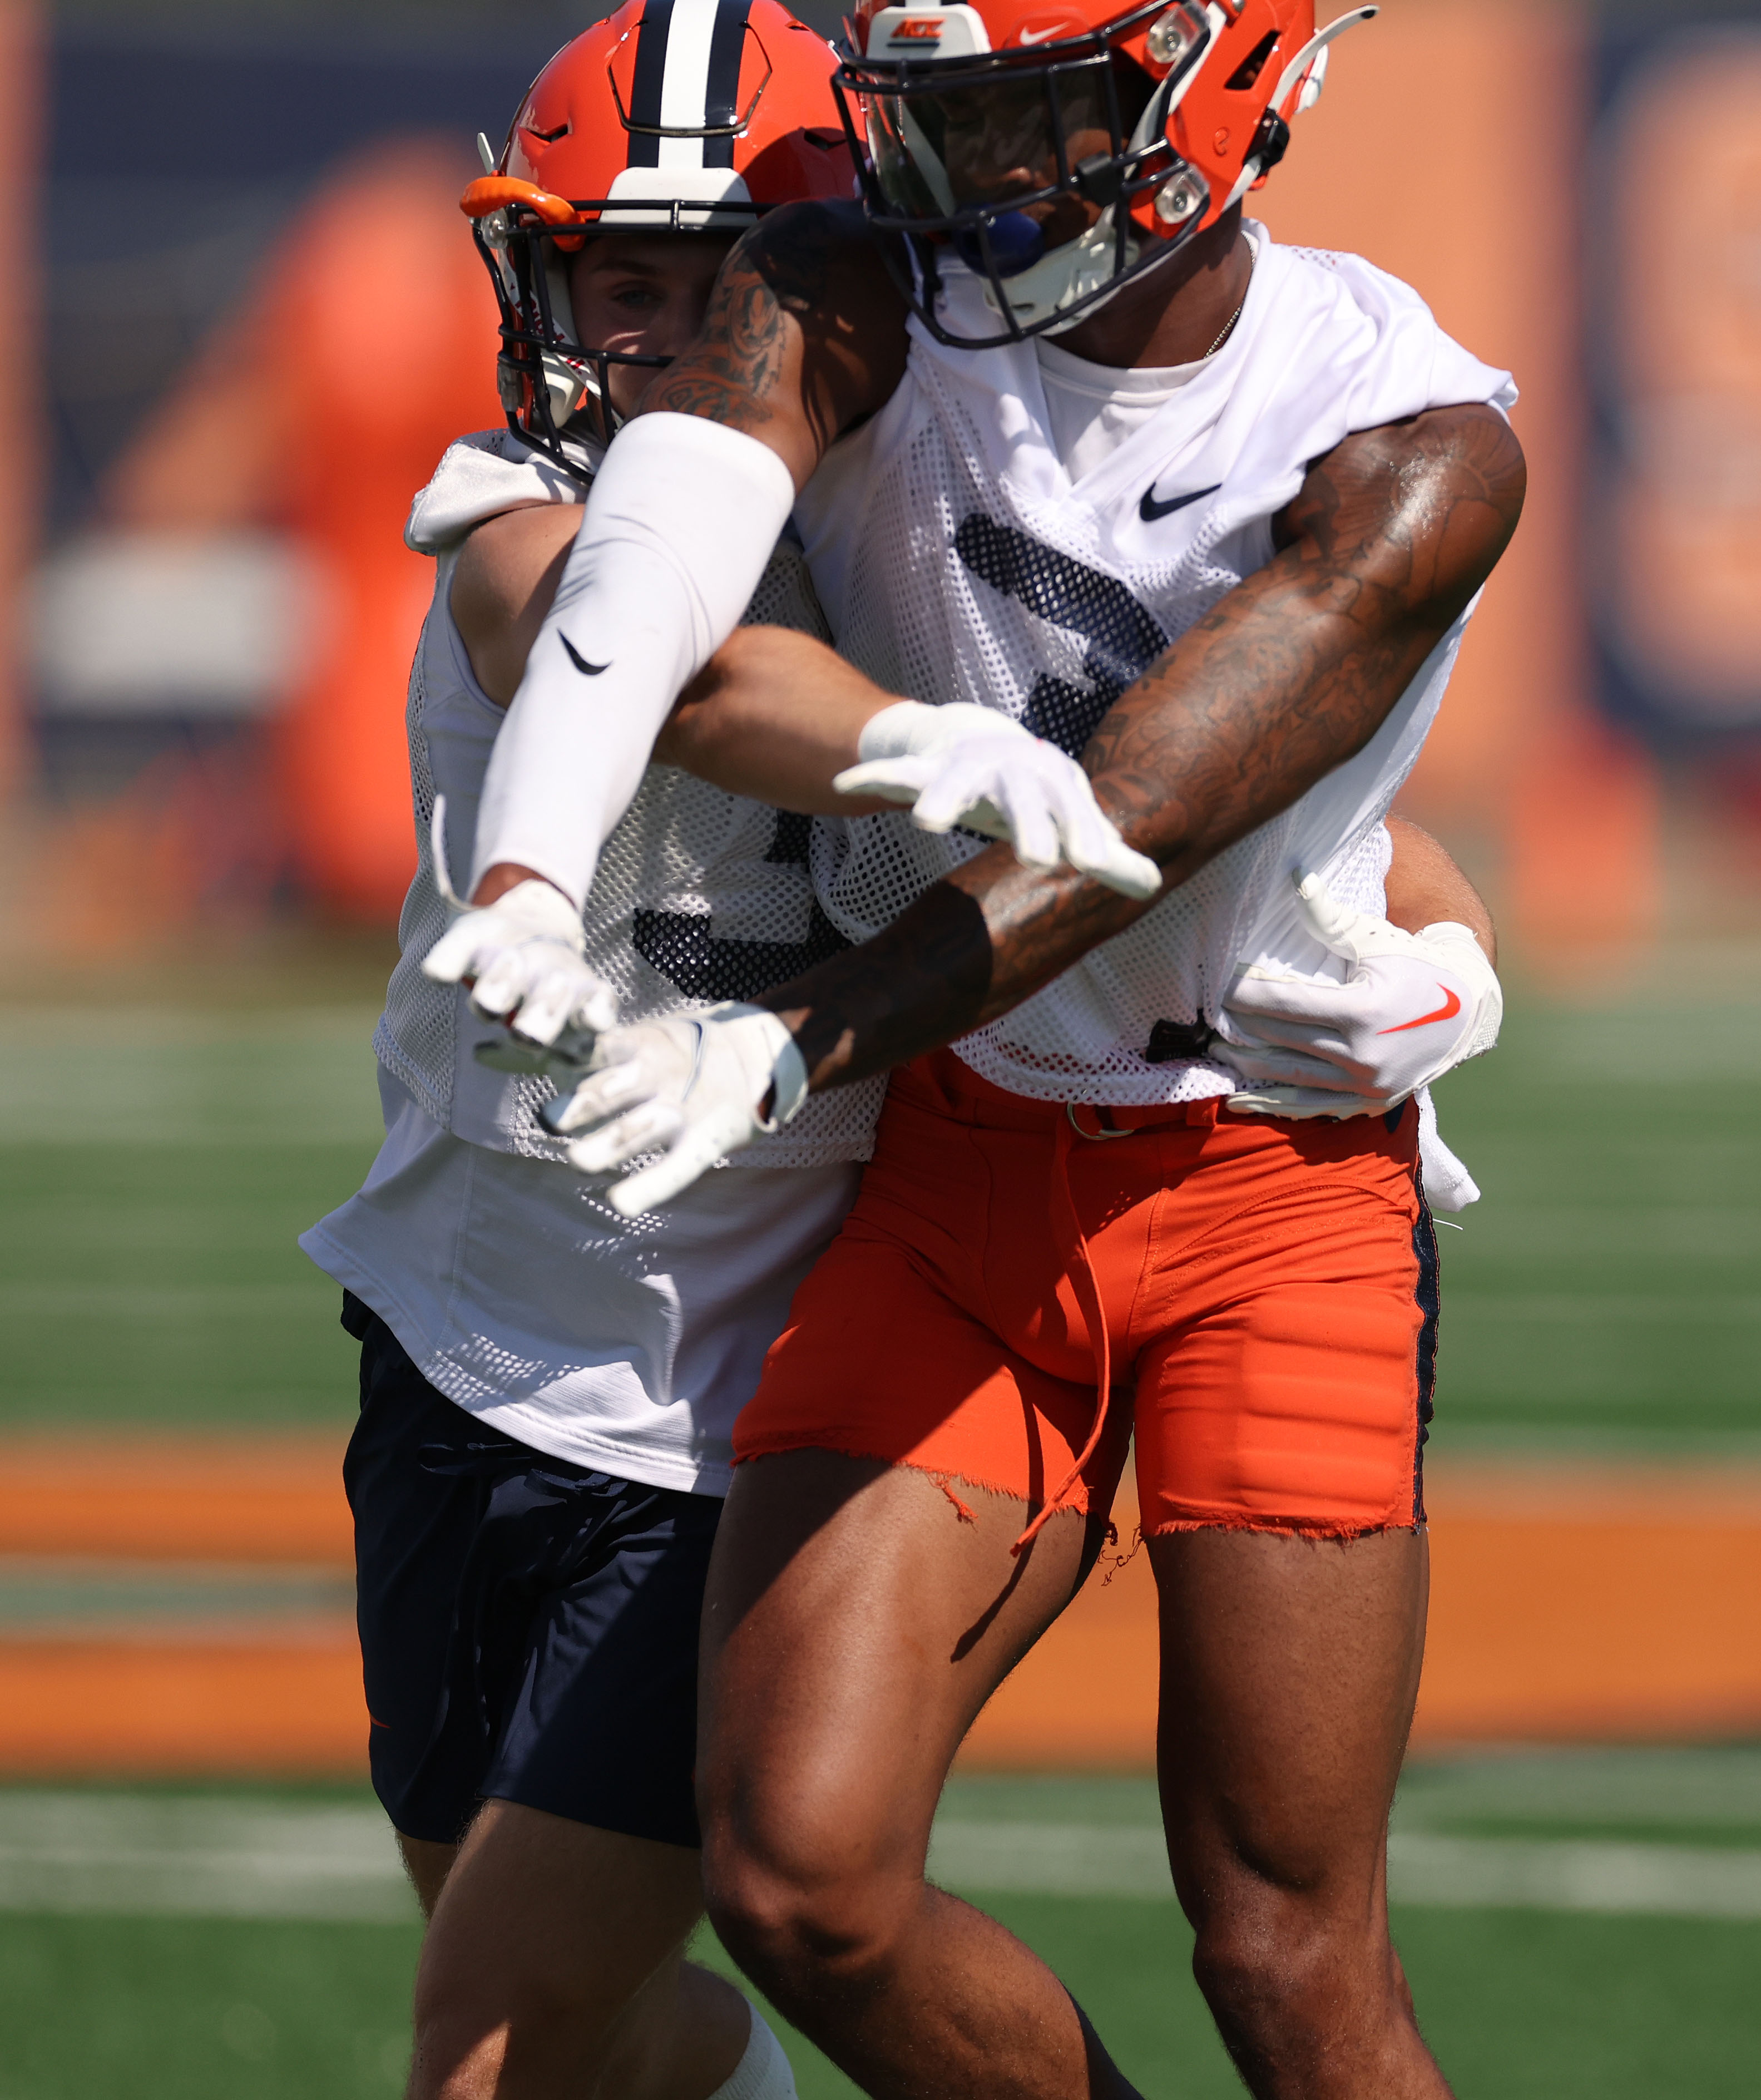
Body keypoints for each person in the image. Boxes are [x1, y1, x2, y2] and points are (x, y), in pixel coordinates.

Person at [444, 0, 1524, 2092]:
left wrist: (792, 1042)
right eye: (935, 128)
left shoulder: (1414, 437)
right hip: (966, 1158)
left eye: (1040, 117)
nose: (977, 187)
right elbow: (651, 561)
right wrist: (525, 878)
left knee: (1288, 1952)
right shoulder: (855, 287)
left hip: (1264, 1191)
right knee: (799, 1878)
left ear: (1234, 85)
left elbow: (1131, 818)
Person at [299, 9, 1155, 2098]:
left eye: (739, 279)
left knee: (491, 2047)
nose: (678, 331)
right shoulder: (511, 494)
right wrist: (900, 745)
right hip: (459, 1338)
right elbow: (626, 650)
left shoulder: (927, 532)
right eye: (625, 277)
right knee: (598, 2032)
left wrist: (1425, 920)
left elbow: (1250, 776)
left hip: (753, 1405)